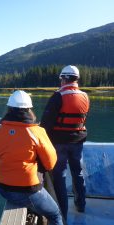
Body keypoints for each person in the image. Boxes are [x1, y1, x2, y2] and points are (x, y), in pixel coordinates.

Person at [0, 90, 63, 225]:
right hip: (27, 191)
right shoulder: (37, 132)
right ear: (29, 109)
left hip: (2, 189)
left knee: (35, 204)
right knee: (55, 215)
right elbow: (50, 163)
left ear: (9, 109)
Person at [40, 65, 90, 220]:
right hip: (78, 142)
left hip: (59, 143)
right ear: (76, 79)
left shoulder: (58, 96)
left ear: (64, 78)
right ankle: (80, 205)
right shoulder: (85, 96)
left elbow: (46, 124)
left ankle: (63, 215)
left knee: (59, 177)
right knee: (78, 172)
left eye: (61, 78)